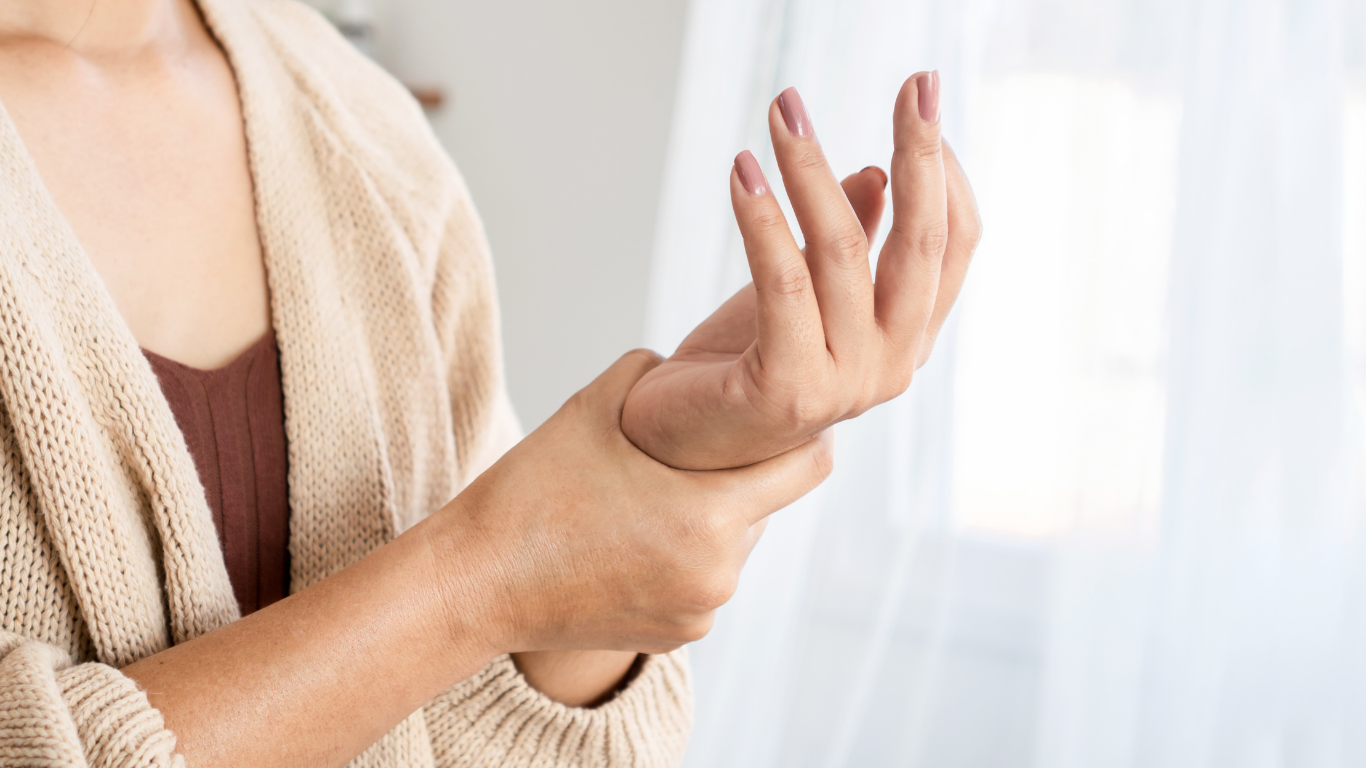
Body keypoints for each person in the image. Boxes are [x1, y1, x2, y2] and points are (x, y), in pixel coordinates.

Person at [0, 0, 980, 765]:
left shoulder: (367, 134)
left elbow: (473, 731)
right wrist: (480, 576)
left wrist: (638, 494)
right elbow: (486, 578)